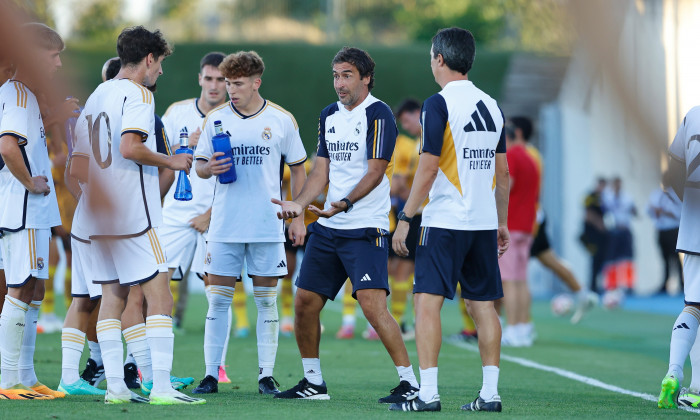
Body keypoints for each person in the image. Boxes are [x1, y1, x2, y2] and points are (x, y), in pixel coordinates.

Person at [272, 46, 419, 403]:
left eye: (347, 75)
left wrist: (345, 203)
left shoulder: (380, 113)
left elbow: (376, 170)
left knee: (372, 305)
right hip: (329, 227)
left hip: (365, 226)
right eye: (336, 75)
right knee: (304, 302)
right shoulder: (328, 115)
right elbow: (320, 169)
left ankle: (410, 382)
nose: (339, 83)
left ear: (366, 77)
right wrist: (300, 204)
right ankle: (313, 382)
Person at [70, 26, 204, 405]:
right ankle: (161, 388)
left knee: (112, 296)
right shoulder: (139, 93)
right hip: (133, 214)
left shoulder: (97, 94)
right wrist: (172, 160)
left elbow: (78, 164)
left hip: (99, 217)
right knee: (159, 295)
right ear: (149, 59)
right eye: (160, 63)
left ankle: (116, 388)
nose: (160, 71)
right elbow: (130, 147)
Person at [390, 27, 509, 412]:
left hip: (444, 222)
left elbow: (426, 170)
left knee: (426, 304)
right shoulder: (493, 105)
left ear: (439, 59)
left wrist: (406, 216)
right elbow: (503, 175)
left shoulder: (436, 104)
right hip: (483, 221)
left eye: (430, 56)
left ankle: (428, 394)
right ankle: (490, 394)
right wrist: (502, 222)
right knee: (483, 306)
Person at [193, 51, 307, 395]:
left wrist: (297, 212)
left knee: (267, 301)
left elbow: (299, 166)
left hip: (266, 225)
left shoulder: (281, 119)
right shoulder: (214, 118)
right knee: (218, 301)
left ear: (256, 82)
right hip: (225, 225)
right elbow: (198, 166)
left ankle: (265, 375)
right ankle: (211, 375)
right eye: (227, 83)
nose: (230, 89)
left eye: (238, 83)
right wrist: (206, 168)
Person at [0, 22, 67, 400]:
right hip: (24, 208)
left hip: (31, 210)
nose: (58, 63)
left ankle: (26, 376)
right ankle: (9, 380)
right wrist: (30, 182)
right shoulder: (21, 95)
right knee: (19, 287)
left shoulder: (22, 94)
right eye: (53, 55)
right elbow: (9, 147)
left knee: (34, 287)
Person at [159, 52, 235, 381]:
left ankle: (215, 368)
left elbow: (243, 178)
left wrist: (212, 212)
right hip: (173, 214)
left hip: (216, 216)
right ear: (199, 79)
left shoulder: (238, 117)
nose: (215, 85)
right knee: (155, 285)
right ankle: (148, 366)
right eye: (209, 78)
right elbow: (160, 163)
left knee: (216, 291)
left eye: (222, 80)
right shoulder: (175, 113)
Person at [513, 116, 596, 324]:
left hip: (524, 218)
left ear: (518, 133)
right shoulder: (532, 154)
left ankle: (520, 323)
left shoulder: (522, 154)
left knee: (514, 275)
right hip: (533, 216)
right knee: (547, 260)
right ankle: (582, 292)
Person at [658, 106, 700, 409]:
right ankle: (696, 389)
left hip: (695, 224)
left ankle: (675, 372)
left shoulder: (693, 114)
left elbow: (670, 173)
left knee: (694, 306)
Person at [498, 117, 539, 347]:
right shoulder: (531, 158)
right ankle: (523, 326)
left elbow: (508, 184)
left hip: (512, 224)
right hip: (527, 225)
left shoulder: (512, 156)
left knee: (509, 280)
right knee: (521, 279)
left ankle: (513, 329)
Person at [646, 170, 683, 295]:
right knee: (664, 257)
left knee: (675, 258)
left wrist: (664, 212)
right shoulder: (656, 194)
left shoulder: (677, 194)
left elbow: (679, 213)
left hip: (673, 230)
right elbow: (648, 209)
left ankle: (682, 284)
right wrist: (656, 211)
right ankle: (665, 282)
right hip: (661, 230)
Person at [602, 177, 637, 291]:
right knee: (611, 258)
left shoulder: (627, 197)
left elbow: (634, 211)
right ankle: (611, 284)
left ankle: (628, 284)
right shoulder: (607, 197)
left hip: (625, 229)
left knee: (627, 258)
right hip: (613, 230)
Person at [580, 177, 608, 293]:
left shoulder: (603, 198)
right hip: (591, 234)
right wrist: (599, 225)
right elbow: (588, 214)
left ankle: (597, 284)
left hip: (601, 235)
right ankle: (592, 285)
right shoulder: (590, 197)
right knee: (595, 258)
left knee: (601, 258)